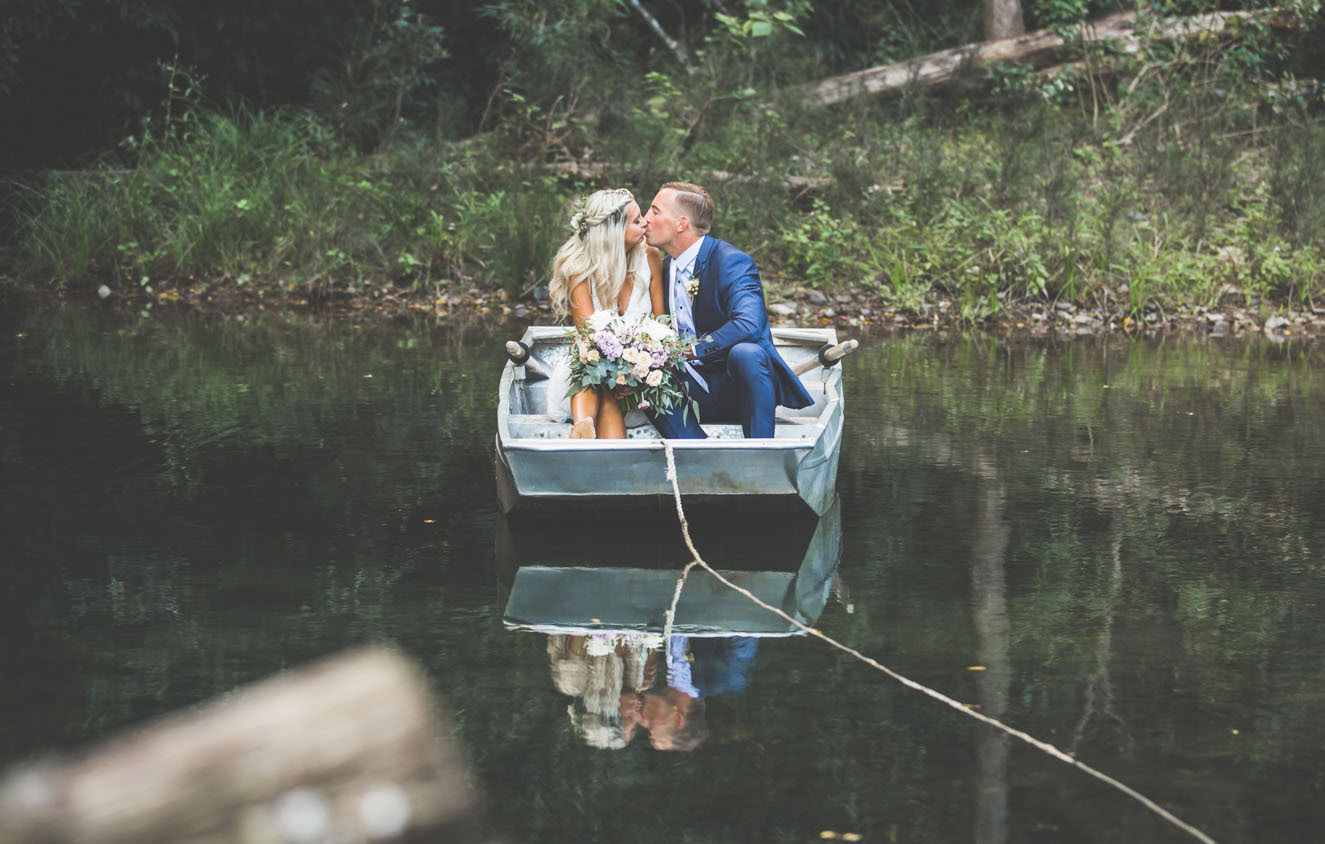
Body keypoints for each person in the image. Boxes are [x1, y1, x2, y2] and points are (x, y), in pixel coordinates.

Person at [642, 181, 814, 439]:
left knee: (747, 352)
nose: (646, 219)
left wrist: (692, 350)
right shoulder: (662, 269)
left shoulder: (731, 261)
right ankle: (694, 452)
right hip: (688, 389)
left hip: (737, 389)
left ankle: (760, 451)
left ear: (681, 224)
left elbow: (749, 325)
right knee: (641, 369)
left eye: (655, 211)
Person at [546, 188, 665, 439]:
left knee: (611, 387)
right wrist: (616, 376)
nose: (645, 222)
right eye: (636, 220)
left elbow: (662, 325)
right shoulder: (580, 269)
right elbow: (590, 337)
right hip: (592, 368)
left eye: (642, 215)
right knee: (600, 376)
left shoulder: (651, 257)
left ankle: (584, 428)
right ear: (614, 232)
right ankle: (585, 427)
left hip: (638, 374)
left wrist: (635, 370)